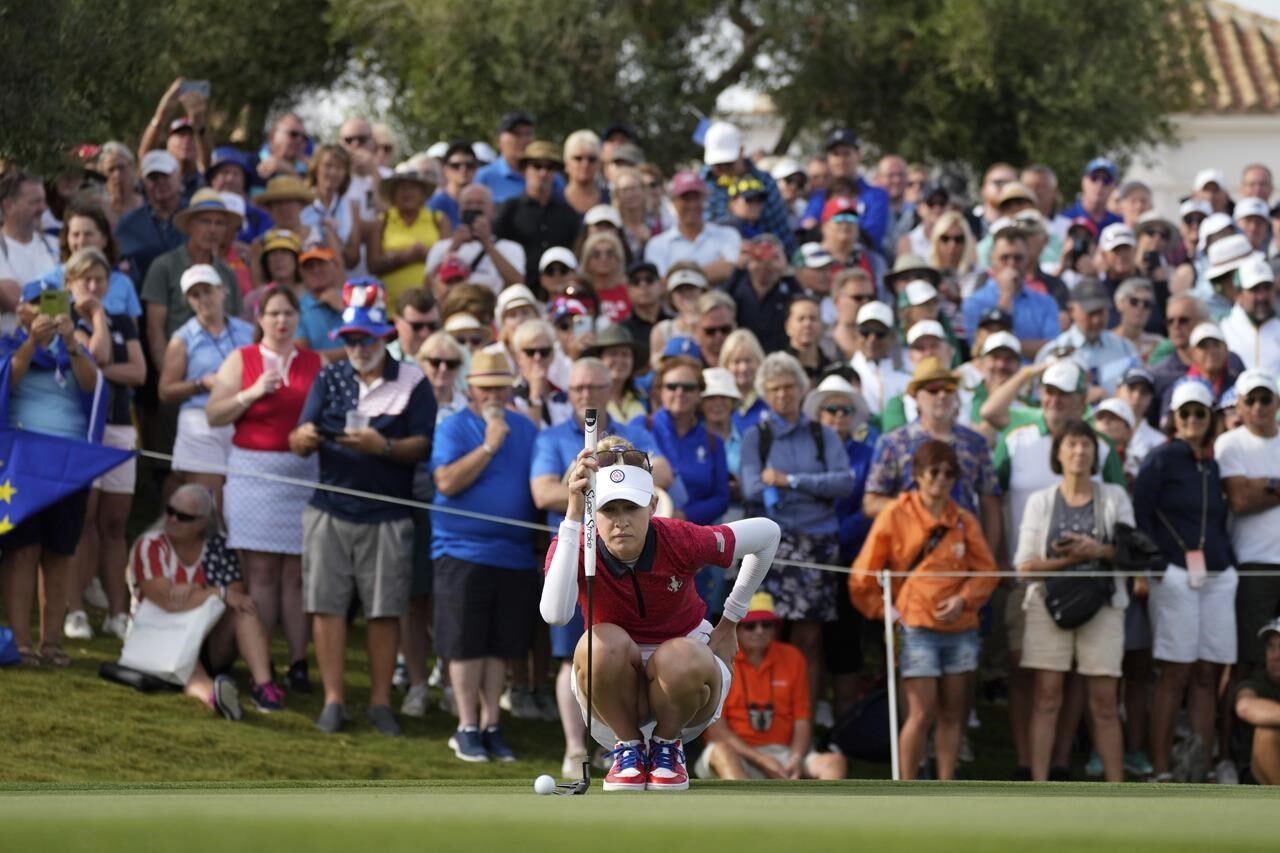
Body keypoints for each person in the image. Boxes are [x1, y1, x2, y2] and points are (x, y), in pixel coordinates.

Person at [540, 437, 782, 790]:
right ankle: (629, 750)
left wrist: (731, 619)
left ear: (652, 506)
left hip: (687, 687)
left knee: (679, 654)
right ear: (594, 509)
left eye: (631, 508)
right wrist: (574, 514)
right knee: (599, 643)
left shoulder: (680, 539)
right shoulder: (575, 544)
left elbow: (767, 534)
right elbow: (555, 615)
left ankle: (668, 748)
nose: (621, 521)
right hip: (612, 693)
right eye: (609, 510)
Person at [290, 280, 436, 736]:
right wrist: (306, 438)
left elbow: (423, 445)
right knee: (327, 605)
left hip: (388, 512)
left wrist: (383, 446)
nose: (356, 347)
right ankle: (334, 700)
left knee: (384, 609)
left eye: (364, 339)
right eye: (350, 339)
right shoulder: (329, 377)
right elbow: (297, 438)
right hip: (329, 506)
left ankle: (378, 702)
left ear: (384, 337)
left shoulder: (413, 380)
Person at [852, 439, 999, 779]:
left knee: (952, 713)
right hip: (915, 626)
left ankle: (946, 785)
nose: (941, 479)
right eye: (934, 471)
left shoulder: (964, 520)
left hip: (960, 626)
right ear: (917, 474)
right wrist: (882, 610)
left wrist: (964, 599)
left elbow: (988, 571)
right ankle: (907, 785)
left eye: (950, 473)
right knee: (920, 713)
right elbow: (862, 575)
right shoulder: (895, 514)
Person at [206, 285, 321, 693]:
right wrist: (251, 393)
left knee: (295, 575)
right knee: (261, 573)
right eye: (273, 313)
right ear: (260, 318)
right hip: (253, 471)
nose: (282, 320)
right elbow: (215, 413)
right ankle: (262, 659)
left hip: (303, 472)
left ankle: (299, 660)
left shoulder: (313, 362)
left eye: (288, 313)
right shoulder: (243, 359)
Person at [1015, 418, 1135, 783]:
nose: (1080, 451)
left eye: (1086, 444)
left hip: (1103, 605)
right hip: (1048, 605)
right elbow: (1024, 567)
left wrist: (1097, 549)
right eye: (1071, 445)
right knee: (1046, 697)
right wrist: (1070, 559)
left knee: (1104, 701)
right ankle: (1038, 786)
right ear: (1058, 453)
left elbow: (1134, 553)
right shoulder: (1040, 501)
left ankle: (1118, 790)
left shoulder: (1115, 496)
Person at [431, 350, 536, 760]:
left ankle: (492, 723)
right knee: (465, 644)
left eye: (500, 385)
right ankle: (466, 725)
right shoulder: (454, 427)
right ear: (469, 388)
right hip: (461, 551)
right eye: (485, 386)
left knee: (500, 646)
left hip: (514, 555)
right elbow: (446, 481)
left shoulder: (527, 429)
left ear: (511, 387)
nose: (493, 393)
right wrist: (490, 446)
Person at [1135, 379, 1238, 783]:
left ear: (1210, 418)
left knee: (1207, 673)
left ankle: (1200, 766)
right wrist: (1154, 568)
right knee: (1176, 671)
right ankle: (1161, 767)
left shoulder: (1212, 464)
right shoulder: (1160, 459)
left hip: (1217, 573)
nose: (1193, 420)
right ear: (1173, 420)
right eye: (1186, 414)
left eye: (1200, 413)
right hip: (1176, 573)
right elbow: (1139, 516)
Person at [740, 352, 854, 710]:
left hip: (818, 540)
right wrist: (799, 488)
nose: (783, 395)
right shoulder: (755, 437)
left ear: (802, 390)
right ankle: (773, 713)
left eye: (789, 387)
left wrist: (790, 481)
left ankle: (805, 711)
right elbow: (751, 488)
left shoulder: (822, 434)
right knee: (771, 631)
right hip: (774, 540)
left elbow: (844, 483)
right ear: (765, 393)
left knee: (811, 636)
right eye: (774, 389)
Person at [0, 280, 103, 666]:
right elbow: (10, 379)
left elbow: (93, 386)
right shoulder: (10, 343)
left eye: (53, 302)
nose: (46, 310)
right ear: (24, 309)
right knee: (22, 551)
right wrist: (32, 343)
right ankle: (22, 643)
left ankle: (52, 643)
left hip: (70, 461)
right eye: (38, 303)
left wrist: (73, 344)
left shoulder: (76, 344)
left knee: (60, 553)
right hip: (24, 461)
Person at [127, 484, 282, 718]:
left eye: (183, 516)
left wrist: (197, 589)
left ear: (202, 523)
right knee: (189, 668)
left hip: (206, 639)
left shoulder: (217, 547)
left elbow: (236, 596)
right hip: (159, 638)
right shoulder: (150, 545)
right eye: (170, 511)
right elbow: (166, 600)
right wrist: (214, 593)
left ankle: (264, 686)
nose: (172, 519)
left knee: (244, 608)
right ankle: (214, 697)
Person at [62, 248, 145, 641]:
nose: (93, 287)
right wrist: (95, 317)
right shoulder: (66, 323)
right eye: (85, 280)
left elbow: (139, 372)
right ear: (70, 284)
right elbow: (95, 356)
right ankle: (75, 610)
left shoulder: (124, 320)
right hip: (83, 429)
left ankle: (117, 613)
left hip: (118, 426)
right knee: (84, 522)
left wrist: (102, 368)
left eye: (99, 279)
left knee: (114, 524)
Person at [695, 592, 847, 780]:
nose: (759, 631)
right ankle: (745, 808)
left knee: (834, 762)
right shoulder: (718, 660)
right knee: (721, 752)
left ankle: (823, 810)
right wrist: (761, 760)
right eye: (750, 626)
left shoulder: (793, 657)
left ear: (775, 628)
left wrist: (796, 757)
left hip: (784, 752)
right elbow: (717, 732)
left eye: (766, 624)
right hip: (737, 752)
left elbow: (802, 718)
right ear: (736, 629)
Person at [158, 265, 256, 503]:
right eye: (195, 294)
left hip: (243, 416)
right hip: (200, 419)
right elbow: (166, 390)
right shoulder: (182, 338)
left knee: (243, 499)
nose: (203, 299)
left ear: (222, 291)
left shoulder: (249, 332)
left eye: (207, 291)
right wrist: (200, 384)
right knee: (209, 501)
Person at [1216, 370, 1280, 681]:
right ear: (1238, 406)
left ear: (1277, 402)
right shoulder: (1229, 444)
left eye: (1264, 398)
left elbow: (1248, 492)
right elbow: (1239, 500)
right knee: (1248, 660)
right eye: (1250, 400)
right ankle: (1235, 731)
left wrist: (1264, 486)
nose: (1258, 407)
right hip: (1253, 564)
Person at [142, 188, 243, 368]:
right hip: (179, 367)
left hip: (225, 370)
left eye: (219, 223)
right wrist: (167, 376)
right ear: (190, 226)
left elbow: (237, 325)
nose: (212, 229)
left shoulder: (228, 274)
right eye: (205, 221)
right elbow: (154, 329)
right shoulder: (164, 266)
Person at [494, 140, 580, 294]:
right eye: (537, 166)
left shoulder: (568, 213)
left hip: (560, 293)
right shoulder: (509, 210)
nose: (543, 173)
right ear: (524, 169)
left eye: (550, 167)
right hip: (518, 291)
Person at [1035, 277, 1138, 396]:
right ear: (1071, 310)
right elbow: (1039, 397)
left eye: (1101, 312)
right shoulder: (1053, 352)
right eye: (1091, 313)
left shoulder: (1126, 349)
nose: (1097, 320)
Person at [368, 168, 450, 307]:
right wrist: (404, 257)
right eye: (402, 188)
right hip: (391, 304)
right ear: (393, 194)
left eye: (413, 188)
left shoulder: (439, 219)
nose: (407, 193)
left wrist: (427, 255)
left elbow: (449, 260)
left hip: (431, 303)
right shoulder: (382, 221)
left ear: (423, 193)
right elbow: (373, 265)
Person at [50, 197, 143, 319]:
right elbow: (54, 331)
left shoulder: (122, 283)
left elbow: (132, 331)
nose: (81, 241)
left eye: (88, 234)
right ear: (67, 239)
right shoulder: (52, 281)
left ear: (104, 239)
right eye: (75, 234)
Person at [424, 183, 525, 295]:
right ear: (459, 210)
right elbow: (429, 285)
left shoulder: (510, 247)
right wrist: (454, 247)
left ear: (493, 210)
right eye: (468, 203)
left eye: (480, 203)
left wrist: (488, 245)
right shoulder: (441, 247)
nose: (474, 207)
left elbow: (517, 283)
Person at [643, 171, 740, 284]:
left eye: (697, 198)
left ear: (704, 199)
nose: (692, 204)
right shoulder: (657, 244)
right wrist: (714, 270)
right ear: (673, 202)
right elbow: (659, 285)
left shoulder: (727, 234)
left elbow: (728, 270)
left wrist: (677, 279)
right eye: (686, 198)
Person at [0, 172, 60, 310]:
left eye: (43, 201)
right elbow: (17, 299)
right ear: (8, 206)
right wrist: (62, 302)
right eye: (35, 202)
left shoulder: (54, 244)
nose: (43, 208)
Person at [302, 144, 363, 271]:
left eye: (340, 168)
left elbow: (353, 260)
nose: (333, 172)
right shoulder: (300, 201)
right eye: (328, 165)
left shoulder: (352, 206)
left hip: (338, 277)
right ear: (316, 168)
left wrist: (335, 238)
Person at [1234, 618, 1280, 785]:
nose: (1276, 655)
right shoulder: (1256, 682)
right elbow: (1245, 706)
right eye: (1271, 647)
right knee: (1267, 733)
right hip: (1257, 777)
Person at [1219, 254, 1280, 375]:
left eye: (1267, 288)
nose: (1262, 297)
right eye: (1255, 289)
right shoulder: (1223, 330)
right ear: (1238, 293)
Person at [849, 300, 911, 417]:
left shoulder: (908, 376)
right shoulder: (845, 375)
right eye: (865, 332)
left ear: (892, 337)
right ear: (856, 334)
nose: (872, 339)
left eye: (880, 333)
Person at [585, 325, 645, 424]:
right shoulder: (589, 398)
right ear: (599, 359)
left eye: (625, 354)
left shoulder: (642, 396)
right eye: (613, 354)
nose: (619, 360)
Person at [296, 247, 349, 353]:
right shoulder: (296, 309)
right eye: (309, 266)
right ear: (301, 273)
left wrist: (345, 309)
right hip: (319, 369)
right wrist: (352, 352)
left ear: (334, 266)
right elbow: (302, 356)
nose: (316, 269)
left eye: (321, 263)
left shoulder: (355, 298)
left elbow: (373, 339)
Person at [719, 328, 767, 432]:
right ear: (725, 365)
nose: (743, 368)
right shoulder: (716, 404)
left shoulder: (769, 401)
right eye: (736, 362)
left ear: (758, 362)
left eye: (748, 361)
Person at [579, 230, 631, 323]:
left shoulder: (630, 292)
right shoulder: (581, 295)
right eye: (596, 254)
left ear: (618, 258)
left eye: (610, 253)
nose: (603, 258)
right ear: (587, 260)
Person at [1111, 277, 1164, 364]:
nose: (1140, 307)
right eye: (1134, 302)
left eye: (1147, 304)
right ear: (1120, 304)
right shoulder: (1104, 342)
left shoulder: (1158, 344)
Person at [97, 141, 143, 228]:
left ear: (133, 168)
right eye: (111, 170)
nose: (117, 175)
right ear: (101, 174)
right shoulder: (98, 211)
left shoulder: (147, 206)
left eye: (121, 168)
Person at [563, 130, 605, 215]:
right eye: (578, 158)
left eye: (591, 159)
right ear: (566, 164)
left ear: (599, 164)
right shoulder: (554, 199)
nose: (585, 164)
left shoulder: (611, 200)